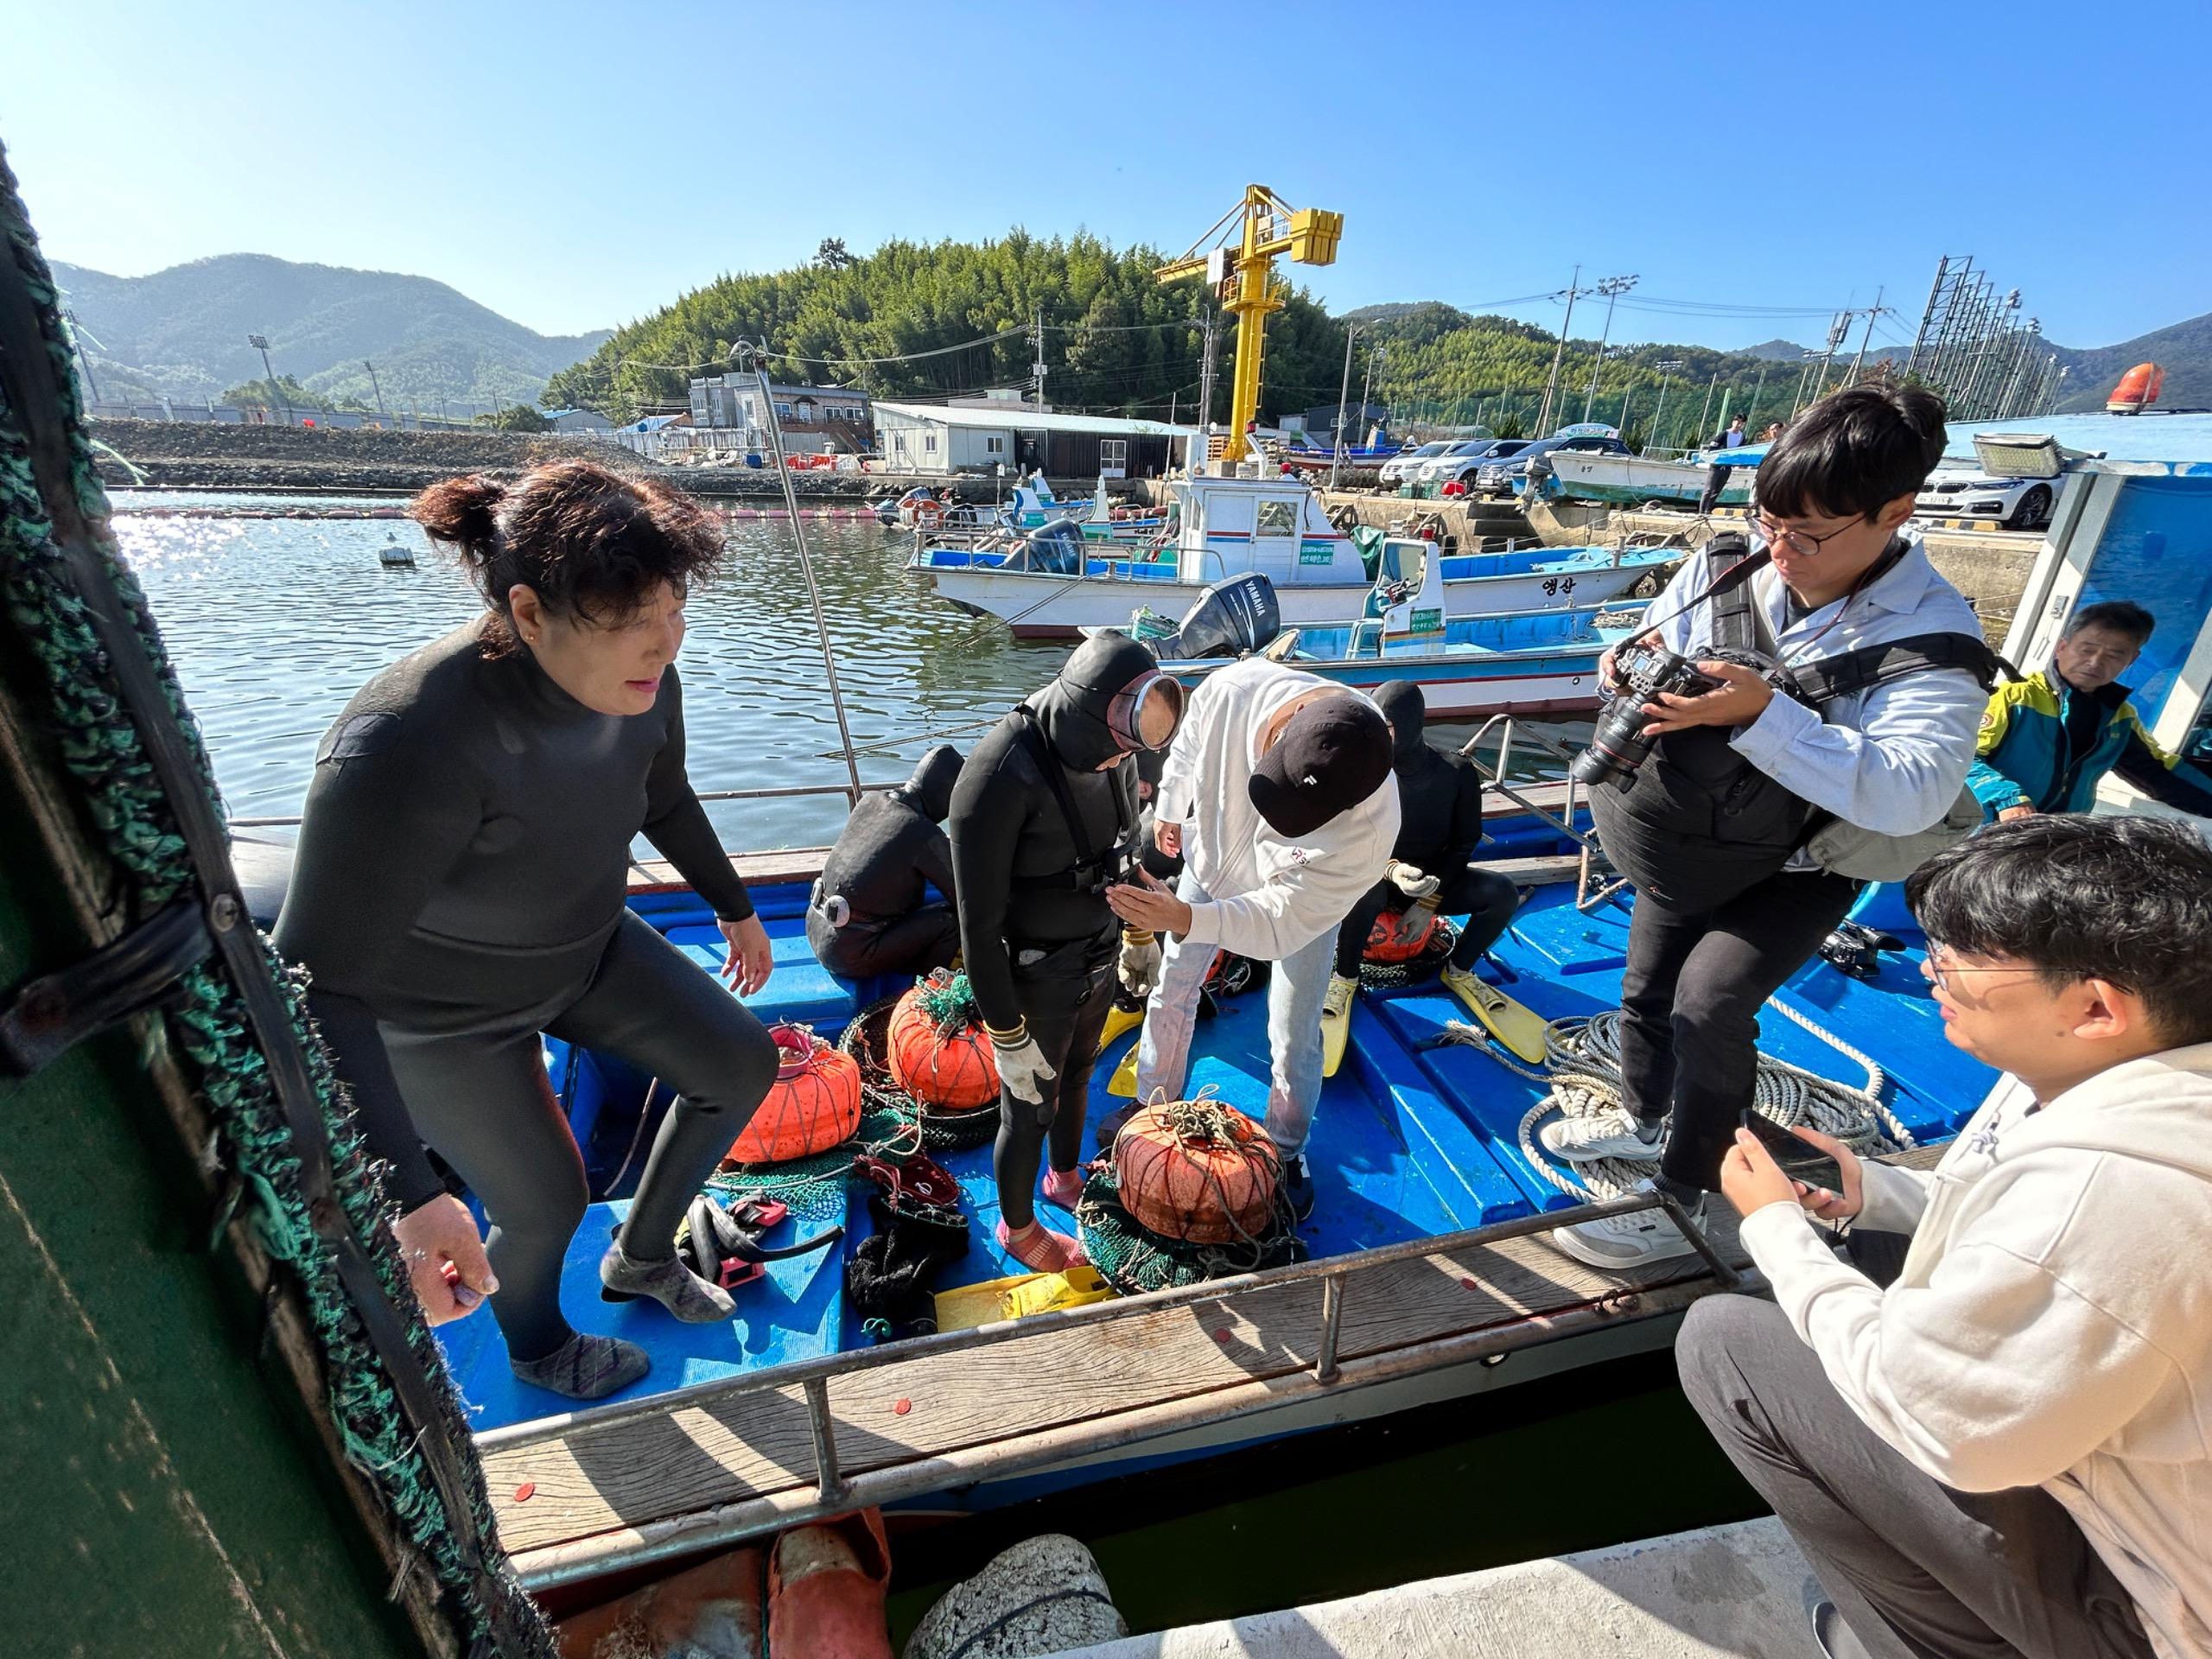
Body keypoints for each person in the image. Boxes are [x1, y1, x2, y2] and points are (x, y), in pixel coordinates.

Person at [274, 461, 780, 1401]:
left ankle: (639, 1255)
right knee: (546, 1201)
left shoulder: (642, 677)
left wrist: (736, 905)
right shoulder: (406, 740)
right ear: (529, 611)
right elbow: (314, 983)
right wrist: (412, 1198)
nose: (662, 643)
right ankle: (539, 1345)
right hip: (440, 1016)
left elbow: (662, 796)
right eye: (630, 619)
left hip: (585, 947)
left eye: (674, 609)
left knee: (739, 1064)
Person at [1679, 814, 2212, 1659]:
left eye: (1964, 958)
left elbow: (1943, 1428)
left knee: (1724, 1346)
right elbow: (2023, 1230)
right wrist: (1878, 1194)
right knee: (1887, 1256)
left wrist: (1776, 1227)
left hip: (2161, 1611)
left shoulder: (2106, 1195)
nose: (1932, 971)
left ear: (2096, 1007)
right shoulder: (2123, 1075)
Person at [1550, 385, 1992, 1268]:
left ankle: (1691, 1193)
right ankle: (1645, 1124)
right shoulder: (1739, 555)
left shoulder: (1936, 640)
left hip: (1802, 862)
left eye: (1809, 534)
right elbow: (1658, 627)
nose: (1778, 550)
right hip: (1689, 843)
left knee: (1708, 1007)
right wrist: (1627, 660)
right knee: (1642, 994)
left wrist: (1761, 716)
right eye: (1767, 519)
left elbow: (1908, 792)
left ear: (1895, 513)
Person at [1108, 661, 1399, 1221]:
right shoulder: (1230, 688)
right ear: (1285, 724)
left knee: (1295, 1027)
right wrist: (1171, 806)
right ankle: (1151, 1106)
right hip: (1211, 857)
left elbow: (1274, 925)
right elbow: (1188, 746)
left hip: (1298, 898)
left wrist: (1188, 919)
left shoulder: (1371, 827)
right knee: (1172, 985)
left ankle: (1286, 1151)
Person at [949, 636, 1185, 1271]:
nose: (1120, 766)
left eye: (1130, 754)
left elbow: (1123, 854)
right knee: (1028, 1107)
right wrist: (1005, 1031)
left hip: (1100, 954)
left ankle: (1062, 1176)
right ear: (1083, 715)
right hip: (1034, 976)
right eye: (1114, 751)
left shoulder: (1120, 754)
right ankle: (1019, 1227)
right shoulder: (998, 774)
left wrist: (1138, 936)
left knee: (1081, 1075)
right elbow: (977, 924)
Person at [1327, 681, 1520, 1019]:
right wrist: (1392, 870)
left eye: (1384, 728)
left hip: (1434, 880)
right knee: (1364, 893)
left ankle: (1458, 970)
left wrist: (1428, 902)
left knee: (1502, 893)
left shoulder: (1455, 771)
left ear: (1410, 726)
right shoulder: (1360, 773)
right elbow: (1345, 843)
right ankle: (1345, 977)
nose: (1374, 738)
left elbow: (1464, 844)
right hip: (1375, 875)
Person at [1967, 600, 2212, 822]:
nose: (2095, 662)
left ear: (2131, 660)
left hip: (2051, 843)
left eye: (2114, 655)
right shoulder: (2013, 697)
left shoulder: (2119, 718)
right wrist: (2007, 798)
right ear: (2061, 647)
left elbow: (2159, 773)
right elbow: (1961, 757)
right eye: (2086, 650)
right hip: (1982, 835)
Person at [807, 745, 963, 979]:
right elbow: (964, 898)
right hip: (851, 954)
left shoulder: (870, 802)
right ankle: (923, 989)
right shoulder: (920, 831)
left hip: (816, 930)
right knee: (949, 921)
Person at [1696, 414, 1750, 514]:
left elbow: (1742, 450)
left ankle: (1708, 509)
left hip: (1728, 466)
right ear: (1733, 422)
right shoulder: (1724, 434)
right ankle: (1701, 511)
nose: (1739, 424)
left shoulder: (1741, 437)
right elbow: (1713, 446)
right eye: (1737, 422)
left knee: (1717, 489)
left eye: (1741, 423)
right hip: (1717, 466)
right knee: (1709, 489)